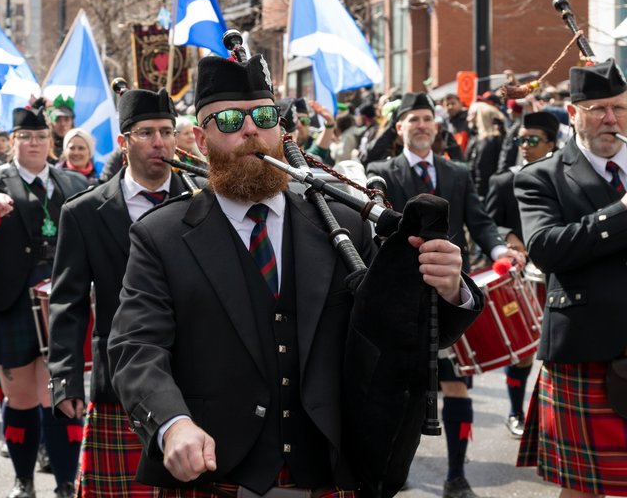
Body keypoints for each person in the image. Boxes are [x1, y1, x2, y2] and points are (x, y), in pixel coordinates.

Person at [108, 55, 479, 497]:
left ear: (282, 131)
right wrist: (173, 423)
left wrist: (449, 285)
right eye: (229, 120)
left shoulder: (343, 223)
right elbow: (137, 346)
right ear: (202, 140)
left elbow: (406, 328)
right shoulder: (160, 236)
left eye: (264, 116)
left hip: (331, 466)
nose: (251, 130)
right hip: (216, 471)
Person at [366, 92, 524, 498]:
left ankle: (456, 473)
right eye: (413, 119)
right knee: (397, 390)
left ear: (436, 127)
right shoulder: (381, 170)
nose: (422, 125)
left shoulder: (456, 171)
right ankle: (390, 473)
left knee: (456, 387)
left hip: (448, 300)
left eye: (427, 119)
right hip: (398, 301)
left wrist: (499, 250)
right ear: (399, 128)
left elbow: (480, 221)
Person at [513, 59, 627, 498]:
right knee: (583, 488)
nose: (610, 119)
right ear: (573, 114)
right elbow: (546, 249)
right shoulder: (540, 177)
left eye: (618, 107)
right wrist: (622, 214)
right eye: (597, 108)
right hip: (587, 341)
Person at [48, 87, 199, 497]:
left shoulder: (203, 202)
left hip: (197, 375)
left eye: (167, 131)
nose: (160, 142)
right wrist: (65, 378)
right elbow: (68, 301)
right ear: (123, 141)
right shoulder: (83, 212)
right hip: (120, 378)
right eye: (147, 132)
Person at [0, 101, 90, 498]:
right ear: (12, 142)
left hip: (63, 301)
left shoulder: (73, 183)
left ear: (50, 141)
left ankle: (67, 483)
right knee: (20, 397)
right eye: (26, 137)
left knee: (60, 393)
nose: (34, 143)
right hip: (12, 299)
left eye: (41, 137)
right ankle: (24, 480)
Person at [483, 110, 559, 439]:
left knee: (559, 352)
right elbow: (485, 225)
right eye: (520, 140)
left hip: (559, 276)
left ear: (552, 144)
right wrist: (507, 236)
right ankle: (516, 411)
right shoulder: (504, 180)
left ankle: (552, 416)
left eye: (532, 140)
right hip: (522, 279)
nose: (524, 146)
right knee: (524, 348)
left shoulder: (566, 177)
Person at [465, 101, 505, 200]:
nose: (468, 118)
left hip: (482, 194)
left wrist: (478, 195)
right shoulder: (477, 138)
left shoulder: (488, 142)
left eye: (471, 114)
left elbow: (483, 171)